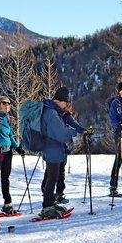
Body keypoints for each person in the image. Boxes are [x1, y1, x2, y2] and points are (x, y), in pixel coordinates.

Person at [41, 103, 90, 204]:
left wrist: (85, 131)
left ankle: (58, 193)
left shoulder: (66, 116)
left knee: (61, 171)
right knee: (51, 171)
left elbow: (76, 126)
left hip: (64, 147)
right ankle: (46, 192)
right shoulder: (52, 114)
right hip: (53, 147)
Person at [40, 87, 77, 218]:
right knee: (52, 177)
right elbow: (60, 133)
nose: (66, 105)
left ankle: (50, 203)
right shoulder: (52, 112)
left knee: (53, 176)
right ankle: (47, 207)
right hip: (52, 148)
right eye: (65, 102)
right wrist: (72, 131)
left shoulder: (51, 110)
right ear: (61, 101)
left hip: (52, 147)